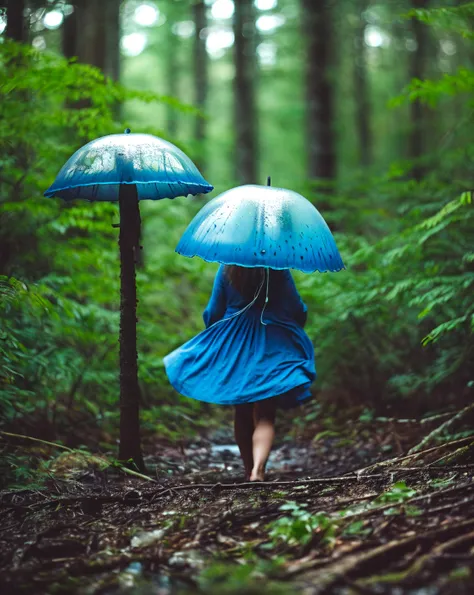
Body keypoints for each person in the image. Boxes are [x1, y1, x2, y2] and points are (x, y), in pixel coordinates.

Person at [164, 265, 316, 481]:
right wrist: (289, 325)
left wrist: (219, 336)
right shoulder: (277, 266)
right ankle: (259, 471)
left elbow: (213, 311)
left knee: (242, 411)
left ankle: (248, 470)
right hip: (270, 340)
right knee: (265, 413)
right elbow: (296, 308)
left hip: (235, 341)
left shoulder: (227, 267)